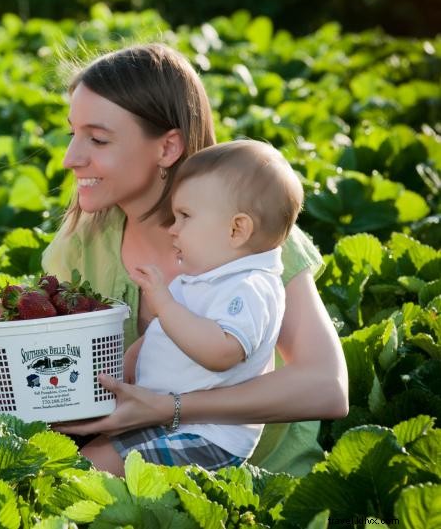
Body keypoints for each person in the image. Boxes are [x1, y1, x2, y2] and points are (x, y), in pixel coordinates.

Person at [44, 43, 348, 476]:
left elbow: (326, 387)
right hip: (132, 472)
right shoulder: (75, 249)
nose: (70, 157)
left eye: (97, 138)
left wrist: (169, 409)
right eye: (72, 133)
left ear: (168, 148)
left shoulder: (253, 236)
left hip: (266, 485)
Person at [82, 139, 304, 475]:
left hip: (208, 435)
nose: (173, 229)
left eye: (185, 216)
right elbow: (163, 336)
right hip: (171, 422)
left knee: (101, 471)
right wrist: (130, 364)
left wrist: (165, 304)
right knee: (86, 460)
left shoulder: (249, 286)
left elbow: (221, 351)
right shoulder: (203, 278)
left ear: (237, 229)